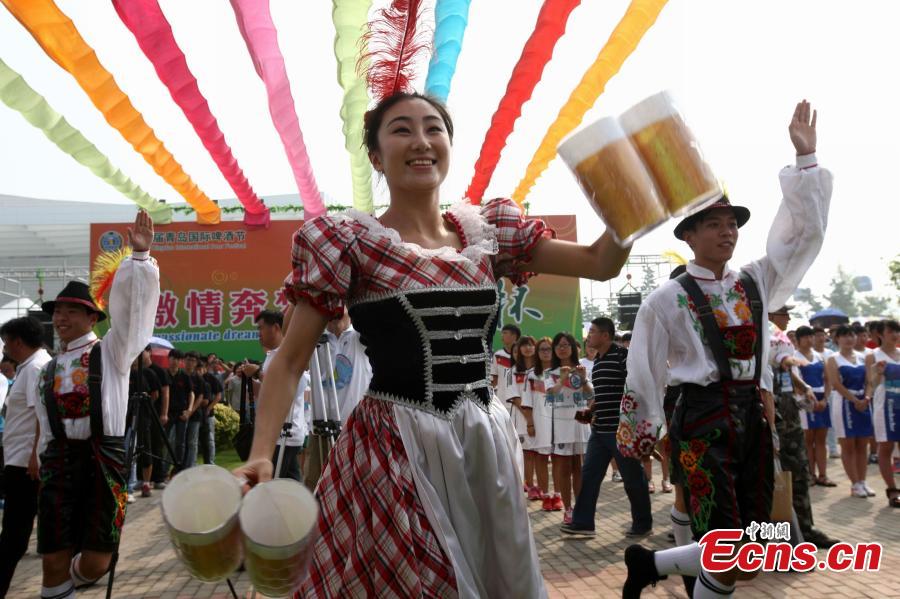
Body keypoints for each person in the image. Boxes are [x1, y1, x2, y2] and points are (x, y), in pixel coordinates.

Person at [234, 91, 630, 598]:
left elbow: (601, 263)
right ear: (376, 156)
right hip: (396, 446)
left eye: (433, 128)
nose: (420, 141)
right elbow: (289, 361)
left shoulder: (488, 232)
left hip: (484, 440)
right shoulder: (352, 241)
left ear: (448, 145)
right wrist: (262, 452)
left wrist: (631, 204)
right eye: (401, 129)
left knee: (496, 576)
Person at [619, 100, 829, 598]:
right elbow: (644, 370)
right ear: (688, 235)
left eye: (732, 223)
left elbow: (804, 236)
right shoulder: (664, 300)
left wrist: (806, 160)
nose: (727, 230)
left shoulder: (757, 281)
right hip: (700, 417)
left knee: (750, 551)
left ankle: (650, 565)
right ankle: (655, 564)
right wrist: (645, 433)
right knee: (730, 553)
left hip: (751, 418)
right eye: (713, 223)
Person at [33, 210, 158, 599]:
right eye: (56, 312)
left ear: (91, 317)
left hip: (105, 459)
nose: (61, 318)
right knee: (52, 558)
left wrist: (139, 259)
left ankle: (67, 585)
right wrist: (40, 456)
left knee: (97, 562)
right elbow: (45, 420)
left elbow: (133, 317)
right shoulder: (47, 369)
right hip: (60, 463)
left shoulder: (113, 352)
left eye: (70, 310)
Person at [561, 317, 651, 538]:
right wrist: (591, 409)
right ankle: (583, 523)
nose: (588, 336)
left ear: (605, 335)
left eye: (592, 332)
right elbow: (603, 395)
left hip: (621, 431)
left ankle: (643, 523)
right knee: (589, 475)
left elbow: (636, 387)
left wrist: (634, 423)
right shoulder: (598, 363)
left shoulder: (623, 357)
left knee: (632, 478)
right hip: (599, 430)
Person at [767, 308, 838, 548]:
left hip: (788, 414)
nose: (787, 317)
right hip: (764, 413)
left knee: (798, 472)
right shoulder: (757, 334)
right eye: (782, 313)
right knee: (767, 478)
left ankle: (805, 529)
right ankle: (773, 537)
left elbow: (789, 370)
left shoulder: (782, 339)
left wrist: (803, 387)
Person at [0, 316, 51, 597]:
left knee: (14, 535)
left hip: (24, 463)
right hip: (19, 458)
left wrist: (35, 456)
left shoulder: (35, 369)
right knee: (15, 534)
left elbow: (40, 416)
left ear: (18, 341)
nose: (5, 348)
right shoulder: (31, 366)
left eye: (6, 342)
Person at [241, 309, 309, 482]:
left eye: (261, 328)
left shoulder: (289, 354)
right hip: (277, 432)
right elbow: (269, 390)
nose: (258, 334)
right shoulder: (271, 356)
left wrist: (256, 373)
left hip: (286, 432)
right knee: (290, 480)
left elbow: (293, 385)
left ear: (276, 328)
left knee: (273, 483)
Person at [546, 332, 592, 524]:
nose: (562, 348)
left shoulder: (581, 369)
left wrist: (582, 379)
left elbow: (590, 395)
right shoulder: (551, 372)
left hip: (579, 424)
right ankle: (568, 508)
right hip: (562, 425)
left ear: (573, 347)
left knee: (579, 467)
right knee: (564, 467)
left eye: (566, 344)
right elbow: (550, 397)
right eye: (558, 345)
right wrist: (560, 379)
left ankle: (580, 507)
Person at [827, 324, 875, 498]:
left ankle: (862, 481)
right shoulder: (834, 359)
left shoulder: (865, 357)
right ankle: (854, 484)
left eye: (851, 335)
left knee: (863, 445)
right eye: (844, 335)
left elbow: (870, 381)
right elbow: (835, 384)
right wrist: (854, 400)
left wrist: (867, 398)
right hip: (845, 404)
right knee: (848, 446)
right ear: (837, 339)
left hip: (864, 402)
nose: (849, 339)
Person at [793, 326, 834, 486]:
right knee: (808, 439)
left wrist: (824, 399)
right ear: (798, 340)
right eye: (806, 337)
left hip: (822, 399)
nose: (810, 340)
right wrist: (810, 400)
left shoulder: (819, 356)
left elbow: (828, 380)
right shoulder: (794, 357)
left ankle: (823, 475)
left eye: (811, 336)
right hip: (805, 400)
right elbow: (796, 383)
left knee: (821, 439)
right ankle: (811, 474)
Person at [866, 319, 900, 507]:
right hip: (885, 407)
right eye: (890, 332)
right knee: (886, 447)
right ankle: (892, 490)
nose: (895, 335)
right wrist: (878, 373)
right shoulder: (874, 355)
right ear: (880, 334)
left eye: (897, 331)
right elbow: (871, 383)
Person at [323, 306, 373, 424]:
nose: (334, 310)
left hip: (355, 424)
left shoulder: (359, 335)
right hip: (321, 425)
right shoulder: (315, 339)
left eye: (339, 303)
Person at [509, 335, 545, 500]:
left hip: (542, 418)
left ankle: (542, 488)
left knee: (540, 454)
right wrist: (528, 417)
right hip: (522, 419)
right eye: (524, 345)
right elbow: (515, 397)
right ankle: (530, 485)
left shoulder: (541, 371)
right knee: (528, 454)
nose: (528, 348)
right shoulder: (512, 371)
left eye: (531, 345)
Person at [531, 336, 562, 511]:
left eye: (548, 349)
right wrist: (530, 423)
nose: (545, 352)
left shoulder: (561, 373)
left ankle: (557, 495)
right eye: (542, 349)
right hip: (539, 421)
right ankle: (546, 495)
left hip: (559, 422)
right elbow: (527, 402)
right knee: (541, 457)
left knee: (558, 458)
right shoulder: (531, 374)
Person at [165, 349, 196, 476]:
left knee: (180, 442)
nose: (175, 361)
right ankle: (162, 470)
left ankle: (178, 469)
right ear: (169, 359)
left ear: (181, 361)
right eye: (173, 358)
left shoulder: (184, 376)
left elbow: (191, 394)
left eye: (178, 359)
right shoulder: (163, 374)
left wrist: (189, 410)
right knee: (165, 441)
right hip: (166, 413)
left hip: (181, 413)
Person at [180, 352, 206, 469]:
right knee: (180, 442)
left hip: (195, 415)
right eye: (188, 359)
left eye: (193, 360)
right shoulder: (179, 375)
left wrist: (190, 411)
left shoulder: (199, 378)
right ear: (184, 361)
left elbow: (200, 397)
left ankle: (191, 466)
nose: (190, 362)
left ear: (196, 363)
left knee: (192, 442)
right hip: (180, 414)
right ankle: (180, 466)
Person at [199, 358, 222, 465]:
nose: (200, 369)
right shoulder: (193, 377)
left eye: (202, 366)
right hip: (195, 414)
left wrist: (209, 408)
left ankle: (210, 463)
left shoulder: (210, 378)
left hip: (208, 413)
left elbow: (218, 395)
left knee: (210, 438)